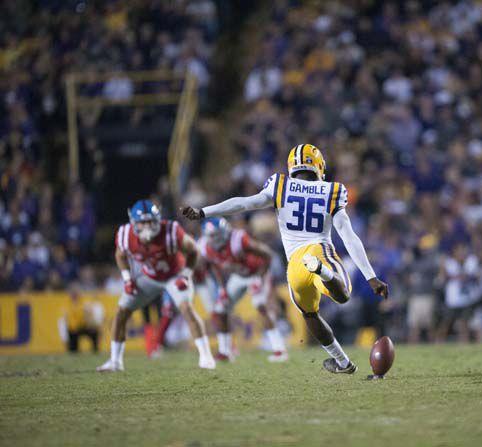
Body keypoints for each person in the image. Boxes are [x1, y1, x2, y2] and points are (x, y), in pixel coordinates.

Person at [182, 144, 388, 374]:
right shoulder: (333, 190)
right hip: (317, 250)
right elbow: (349, 236)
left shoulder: (280, 185)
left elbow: (244, 203)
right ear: (319, 166)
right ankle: (324, 272)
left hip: (295, 266)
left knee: (310, 314)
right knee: (343, 296)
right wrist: (371, 277)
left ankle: (342, 363)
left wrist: (204, 212)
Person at [97, 200, 215, 372]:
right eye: (142, 222)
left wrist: (186, 274)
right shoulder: (125, 234)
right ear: (134, 222)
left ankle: (206, 357)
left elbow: (193, 251)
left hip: (174, 275)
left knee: (186, 309)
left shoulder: (171, 231)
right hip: (149, 276)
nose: (146, 226)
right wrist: (127, 278)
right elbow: (120, 255)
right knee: (121, 311)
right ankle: (115, 361)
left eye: (150, 221)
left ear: (157, 219)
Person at [196, 217, 288, 362]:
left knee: (260, 305)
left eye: (217, 234)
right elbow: (214, 266)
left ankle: (279, 349)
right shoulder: (204, 247)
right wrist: (222, 288)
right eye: (211, 236)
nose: (215, 239)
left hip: (257, 273)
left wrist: (259, 277)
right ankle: (225, 351)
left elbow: (267, 255)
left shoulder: (238, 239)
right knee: (220, 309)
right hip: (238, 276)